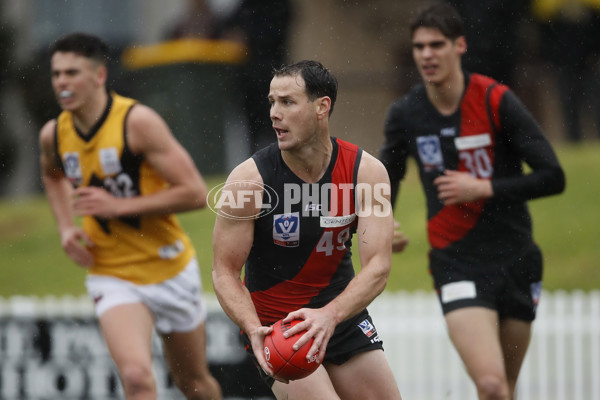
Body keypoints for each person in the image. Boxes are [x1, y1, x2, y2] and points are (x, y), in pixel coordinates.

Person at [379, 3, 565, 400]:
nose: (427, 54)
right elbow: (385, 179)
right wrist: (380, 222)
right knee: (491, 384)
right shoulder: (407, 114)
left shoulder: (496, 100)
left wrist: (486, 189)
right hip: (457, 261)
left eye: (436, 44)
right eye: (419, 46)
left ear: (459, 45)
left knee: (505, 389)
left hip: (517, 257)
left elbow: (554, 177)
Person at [39, 33, 222, 400]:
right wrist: (65, 228)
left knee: (194, 382)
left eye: (72, 72)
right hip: (112, 272)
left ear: (99, 76)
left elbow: (195, 193)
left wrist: (117, 207)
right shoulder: (53, 135)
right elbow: (51, 174)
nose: (61, 81)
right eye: (56, 73)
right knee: (137, 377)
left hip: (169, 267)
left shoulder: (137, 123)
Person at [212, 60, 402, 400]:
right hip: (278, 328)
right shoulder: (248, 182)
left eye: (287, 102)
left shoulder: (366, 173)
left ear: (321, 107)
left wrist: (330, 316)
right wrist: (254, 328)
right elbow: (224, 271)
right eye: (272, 101)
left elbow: (378, 268)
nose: (274, 113)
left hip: (340, 316)